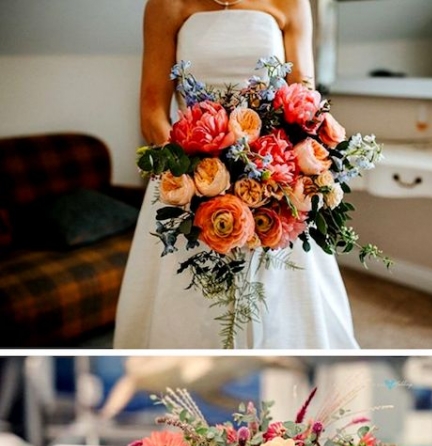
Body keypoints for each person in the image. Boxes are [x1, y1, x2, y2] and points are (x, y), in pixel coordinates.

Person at [113, 0, 359, 350]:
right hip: (189, 175)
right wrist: (198, 175)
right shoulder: (166, 4)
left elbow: (304, 97)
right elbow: (152, 111)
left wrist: (273, 172)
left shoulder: (291, 3)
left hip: (275, 177)